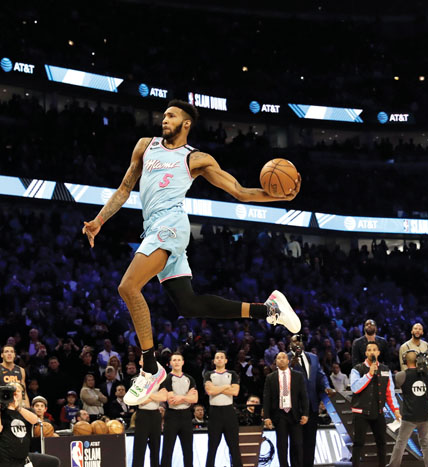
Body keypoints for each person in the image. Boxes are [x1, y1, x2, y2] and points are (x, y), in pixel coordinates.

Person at [82, 99, 301, 405]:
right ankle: (269, 310)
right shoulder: (145, 146)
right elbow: (124, 189)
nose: (164, 119)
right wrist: (99, 221)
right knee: (190, 304)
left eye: (171, 116)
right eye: (164, 115)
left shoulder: (196, 159)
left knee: (128, 286)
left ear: (186, 124)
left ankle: (150, 368)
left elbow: (239, 191)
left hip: (171, 225)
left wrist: (280, 197)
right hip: (153, 227)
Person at [350, 342, 400, 467]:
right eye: (369, 350)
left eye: (374, 349)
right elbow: (355, 388)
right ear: (366, 353)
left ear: (378, 353)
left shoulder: (385, 370)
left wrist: (396, 409)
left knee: (382, 443)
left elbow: (390, 393)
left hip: (378, 411)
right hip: (361, 412)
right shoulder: (357, 369)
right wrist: (369, 375)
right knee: (358, 443)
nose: (372, 352)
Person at [288, 335, 333, 467]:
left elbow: (320, 375)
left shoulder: (313, 357)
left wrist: (327, 387)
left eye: (299, 341)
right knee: (296, 443)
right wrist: (291, 365)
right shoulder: (286, 358)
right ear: (290, 345)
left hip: (312, 406)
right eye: (294, 342)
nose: (297, 344)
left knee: (310, 442)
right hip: (295, 408)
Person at [388, 350, 428, 467]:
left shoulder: (401, 375)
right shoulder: (426, 374)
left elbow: (396, 384)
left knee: (401, 443)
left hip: (410, 415)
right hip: (425, 414)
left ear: (405, 361)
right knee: (426, 444)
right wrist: (427, 370)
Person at [263, 352, 308, 467]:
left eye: (283, 357)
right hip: (279, 415)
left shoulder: (298, 376)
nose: (281, 360)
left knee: (297, 445)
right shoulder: (270, 377)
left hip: (295, 414)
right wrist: (266, 417)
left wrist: (305, 414)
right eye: (278, 358)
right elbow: (267, 398)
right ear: (276, 362)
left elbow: (303, 396)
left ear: (288, 361)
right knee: (282, 445)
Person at [0, 382, 42, 467]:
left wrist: (18, 408)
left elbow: (35, 420)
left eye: (17, 391)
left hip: (23, 460)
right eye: (11, 391)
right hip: (3, 460)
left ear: (22, 394)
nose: (14, 393)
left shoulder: (27, 411)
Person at [204, 351, 241, 467]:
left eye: (221, 357)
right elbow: (210, 391)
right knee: (212, 447)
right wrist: (226, 386)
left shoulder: (232, 374)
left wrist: (216, 389)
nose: (219, 359)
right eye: (217, 357)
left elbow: (235, 391)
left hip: (229, 412)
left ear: (226, 360)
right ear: (214, 361)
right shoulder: (208, 374)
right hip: (214, 413)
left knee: (234, 447)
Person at [160, 352, 198, 467]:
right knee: (168, 449)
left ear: (183, 362)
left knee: (188, 450)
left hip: (186, 416)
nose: (176, 362)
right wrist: (187, 397)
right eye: (174, 360)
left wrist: (181, 397)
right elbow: (172, 401)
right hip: (172, 416)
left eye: (179, 360)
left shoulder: (189, 378)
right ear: (170, 363)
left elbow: (195, 399)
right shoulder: (167, 379)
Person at [131, 357, 167, 467]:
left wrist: (147, 394)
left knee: (156, 449)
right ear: (140, 362)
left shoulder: (159, 379)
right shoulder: (135, 379)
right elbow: (139, 401)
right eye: (144, 359)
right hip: (142, 415)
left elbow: (164, 397)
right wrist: (155, 395)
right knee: (139, 450)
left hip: (156, 415)